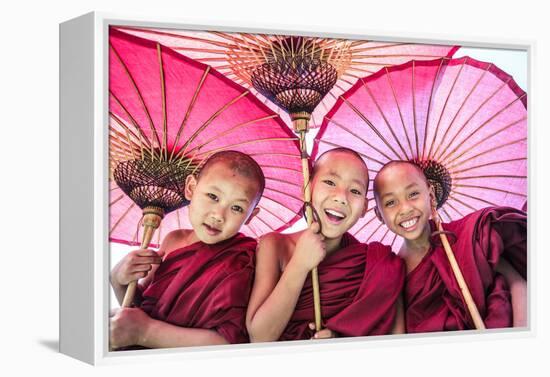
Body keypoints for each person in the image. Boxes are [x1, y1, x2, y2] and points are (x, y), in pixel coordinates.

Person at [246, 148, 405, 342]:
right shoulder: (275, 246)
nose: (341, 197)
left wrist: (342, 339)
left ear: (364, 207)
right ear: (308, 188)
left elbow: (396, 344)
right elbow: (259, 336)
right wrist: (300, 264)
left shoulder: (377, 265)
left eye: (354, 191)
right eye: (330, 182)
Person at [109, 150, 264, 349]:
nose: (218, 215)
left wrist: (145, 332)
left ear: (251, 215)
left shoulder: (245, 258)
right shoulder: (173, 241)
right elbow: (141, 309)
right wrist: (119, 282)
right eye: (212, 196)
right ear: (191, 188)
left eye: (236, 208)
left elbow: (228, 342)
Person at [372, 160, 527, 333]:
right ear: (379, 214)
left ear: (430, 195)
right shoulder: (393, 273)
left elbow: (518, 284)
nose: (405, 208)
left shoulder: (468, 236)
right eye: (391, 203)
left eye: (413, 194)